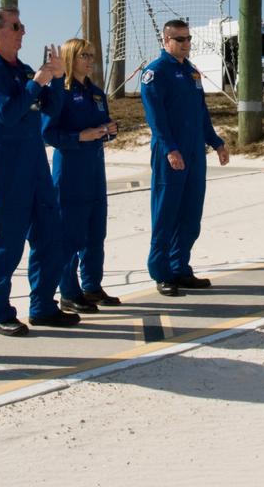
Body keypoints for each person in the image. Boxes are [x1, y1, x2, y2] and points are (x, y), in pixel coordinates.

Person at [0, 7, 76, 336]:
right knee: (8, 238)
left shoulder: (25, 70)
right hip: (7, 160)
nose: (22, 32)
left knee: (49, 233)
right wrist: (37, 83)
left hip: (34, 160)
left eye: (22, 26)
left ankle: (43, 305)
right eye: (16, 26)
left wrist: (56, 78)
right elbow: (7, 113)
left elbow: (52, 109)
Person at [140, 19, 231, 296]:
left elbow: (201, 113)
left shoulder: (192, 72)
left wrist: (216, 143)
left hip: (194, 152)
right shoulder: (155, 73)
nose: (185, 43)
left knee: (191, 214)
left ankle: (180, 267)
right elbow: (156, 118)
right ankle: (162, 271)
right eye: (179, 39)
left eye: (188, 38)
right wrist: (169, 149)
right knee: (167, 213)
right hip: (171, 153)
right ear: (166, 41)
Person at [42, 38, 121, 314]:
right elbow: (48, 133)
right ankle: (68, 291)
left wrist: (109, 130)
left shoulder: (96, 92)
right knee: (70, 233)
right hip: (70, 170)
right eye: (83, 55)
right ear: (70, 58)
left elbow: (105, 126)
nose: (89, 60)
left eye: (91, 55)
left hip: (95, 168)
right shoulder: (60, 92)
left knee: (95, 231)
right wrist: (79, 137)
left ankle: (92, 286)